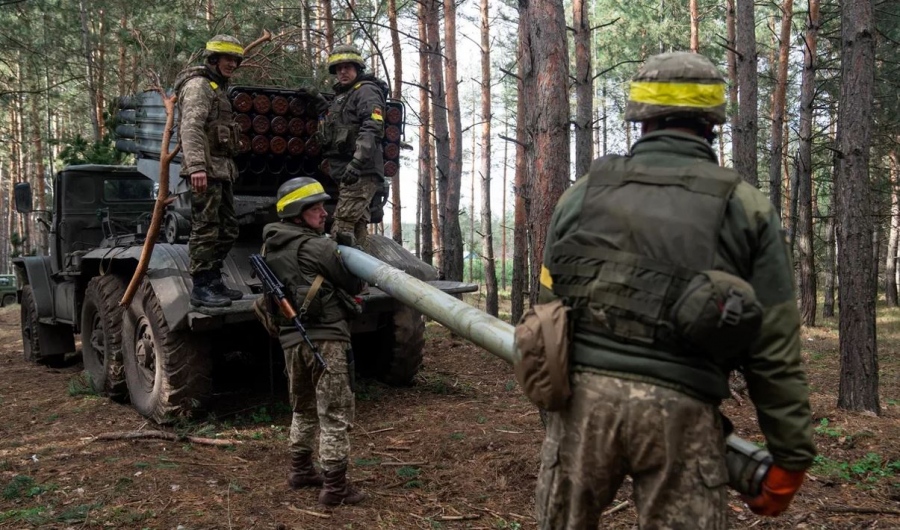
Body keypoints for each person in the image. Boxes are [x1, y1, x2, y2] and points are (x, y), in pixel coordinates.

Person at [534, 51, 815, 529]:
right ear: (713, 121)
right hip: (682, 414)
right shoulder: (746, 208)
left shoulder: (583, 193)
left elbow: (548, 308)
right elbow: (773, 346)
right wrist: (790, 453)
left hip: (582, 407)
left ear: (641, 115)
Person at [262, 177, 366, 506]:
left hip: (292, 341)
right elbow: (353, 283)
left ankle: (300, 470)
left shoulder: (269, 246)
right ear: (297, 213)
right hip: (328, 341)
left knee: (302, 409)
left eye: (324, 206)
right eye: (316, 208)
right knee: (335, 413)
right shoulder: (319, 246)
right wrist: (347, 245)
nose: (325, 213)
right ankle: (335, 487)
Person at [174, 34, 245, 308]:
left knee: (228, 229)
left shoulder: (217, 87)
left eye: (236, 60)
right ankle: (201, 286)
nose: (233, 64)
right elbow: (191, 127)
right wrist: (196, 167)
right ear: (213, 59)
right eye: (228, 59)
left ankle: (213, 279)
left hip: (222, 170)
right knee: (205, 227)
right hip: (206, 170)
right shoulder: (199, 86)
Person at [319, 44, 387, 250]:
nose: (342, 71)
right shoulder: (344, 96)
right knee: (357, 229)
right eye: (338, 68)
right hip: (348, 171)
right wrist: (318, 102)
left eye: (347, 67)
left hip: (361, 171)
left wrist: (358, 161)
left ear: (358, 68)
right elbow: (340, 123)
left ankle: (335, 279)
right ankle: (358, 281)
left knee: (341, 229)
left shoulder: (366, 91)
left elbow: (372, 126)